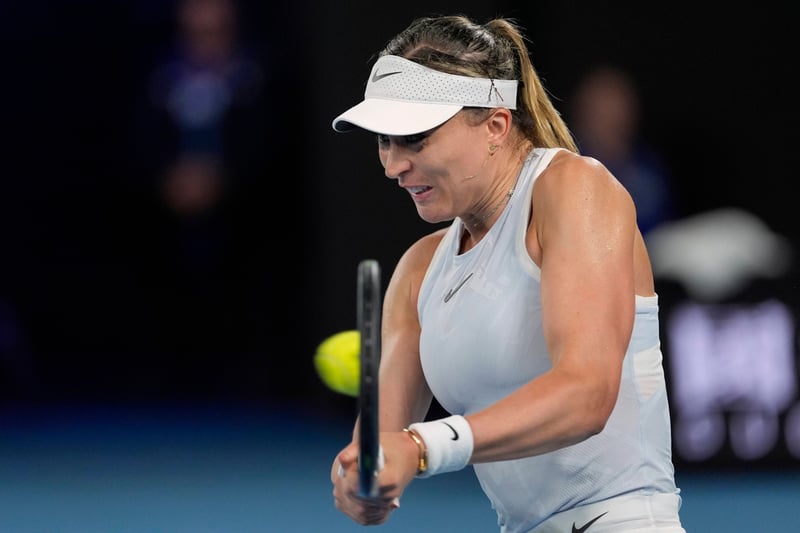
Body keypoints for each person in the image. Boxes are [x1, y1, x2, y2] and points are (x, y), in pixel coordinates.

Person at [328, 15, 685, 533]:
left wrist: (423, 446)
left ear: (496, 125)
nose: (393, 165)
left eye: (415, 138)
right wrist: (364, 480)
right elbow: (380, 447)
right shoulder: (419, 270)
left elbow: (587, 395)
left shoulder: (575, 190)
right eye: (385, 139)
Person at [569, 64, 676, 237]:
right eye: (603, 108)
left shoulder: (649, 166)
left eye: (619, 105)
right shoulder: (568, 167)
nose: (613, 116)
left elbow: (670, 227)